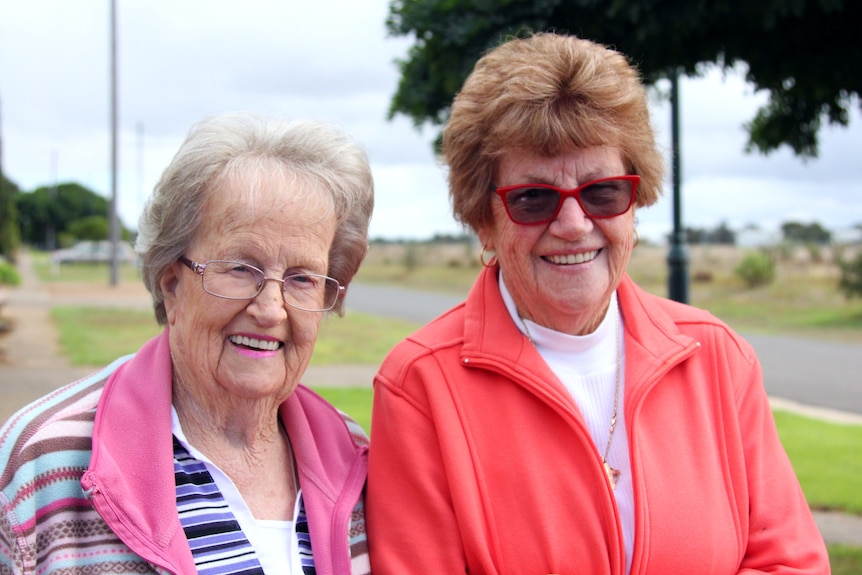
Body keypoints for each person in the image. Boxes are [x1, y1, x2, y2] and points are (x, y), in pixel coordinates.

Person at [366, 33, 829, 574]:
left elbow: (789, 562)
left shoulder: (718, 358)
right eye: (533, 198)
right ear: (483, 220)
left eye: (601, 192)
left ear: (636, 203)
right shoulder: (420, 386)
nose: (573, 225)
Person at [0, 112, 375, 575]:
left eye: (301, 278)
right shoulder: (45, 463)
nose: (271, 309)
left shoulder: (352, 454)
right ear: (172, 285)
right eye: (241, 268)